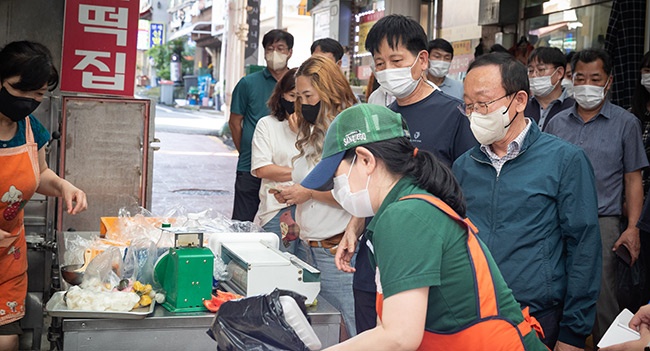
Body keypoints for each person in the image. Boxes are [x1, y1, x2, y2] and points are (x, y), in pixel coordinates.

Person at [300, 103, 547, 351]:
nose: (336, 188)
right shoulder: (403, 207)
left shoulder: (405, 216)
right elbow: (389, 327)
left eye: (336, 177)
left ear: (365, 160)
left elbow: (399, 337)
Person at [339, 14, 478, 335]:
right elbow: (372, 183)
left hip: (425, 262)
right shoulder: (382, 119)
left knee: (407, 335)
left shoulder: (454, 115)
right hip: (375, 253)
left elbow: (466, 193)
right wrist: (355, 225)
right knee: (370, 335)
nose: (388, 70)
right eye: (380, 62)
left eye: (396, 59)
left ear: (422, 60)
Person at [452, 52, 602, 350]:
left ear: (519, 100)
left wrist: (573, 333)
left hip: (537, 317)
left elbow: (584, 248)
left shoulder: (565, 160)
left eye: (483, 103)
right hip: (475, 317)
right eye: (468, 105)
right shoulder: (463, 166)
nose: (474, 114)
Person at [546, 49, 649, 344]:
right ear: (570, 78)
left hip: (603, 223)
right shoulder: (557, 123)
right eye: (580, 77)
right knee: (559, 290)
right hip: (557, 220)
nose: (587, 84)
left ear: (609, 81)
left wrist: (632, 228)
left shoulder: (626, 123)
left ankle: (611, 346)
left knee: (602, 297)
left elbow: (633, 179)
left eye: (595, 78)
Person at [0, 40, 88, 351]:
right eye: (23, 91)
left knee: (6, 340)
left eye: (38, 94)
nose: (30, 101)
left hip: (7, 258)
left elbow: (40, 176)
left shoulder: (29, 128)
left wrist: (65, 186)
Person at [272, 55, 359, 337]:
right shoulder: (311, 130)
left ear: (329, 89)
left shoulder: (348, 132)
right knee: (320, 331)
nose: (304, 103)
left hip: (336, 249)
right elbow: (308, 183)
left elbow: (355, 196)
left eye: (308, 95)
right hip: (308, 246)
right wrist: (297, 198)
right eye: (299, 96)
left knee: (352, 328)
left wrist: (306, 193)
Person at [228, 29, 294, 222]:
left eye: (280, 48)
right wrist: (249, 151)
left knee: (281, 226)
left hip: (284, 169)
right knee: (241, 223)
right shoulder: (247, 83)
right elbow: (234, 123)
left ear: (290, 52)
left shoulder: (298, 83)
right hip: (250, 166)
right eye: (270, 48)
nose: (275, 52)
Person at [250, 67, 299, 253]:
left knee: (306, 270)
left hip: (311, 210)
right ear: (282, 95)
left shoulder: (317, 129)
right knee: (282, 264)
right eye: (293, 96)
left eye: (304, 97)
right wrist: (302, 173)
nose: (298, 103)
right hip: (278, 210)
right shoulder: (267, 125)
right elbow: (262, 169)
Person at [524, 47, 575, 131]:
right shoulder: (522, 107)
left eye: (541, 69)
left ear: (559, 73)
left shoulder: (573, 109)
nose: (534, 75)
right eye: (530, 70)